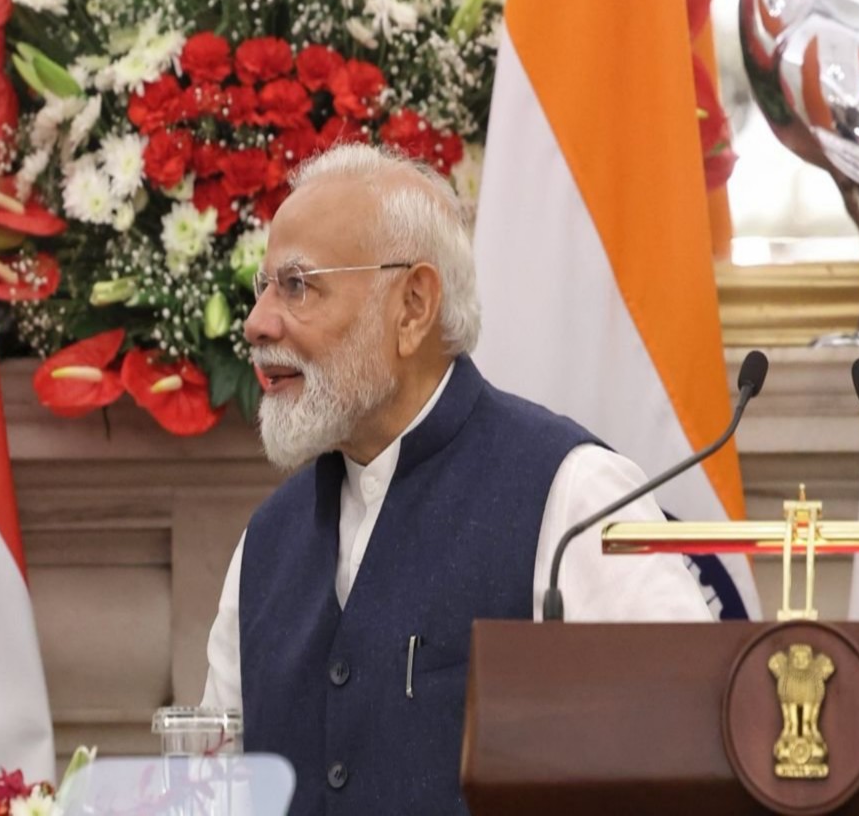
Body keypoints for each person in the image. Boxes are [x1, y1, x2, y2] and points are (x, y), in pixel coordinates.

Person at [202, 143, 711, 815]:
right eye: (263, 287)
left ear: (412, 306)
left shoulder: (575, 496)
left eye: (297, 286)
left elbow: (688, 756)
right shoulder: (267, 542)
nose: (258, 322)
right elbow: (215, 786)